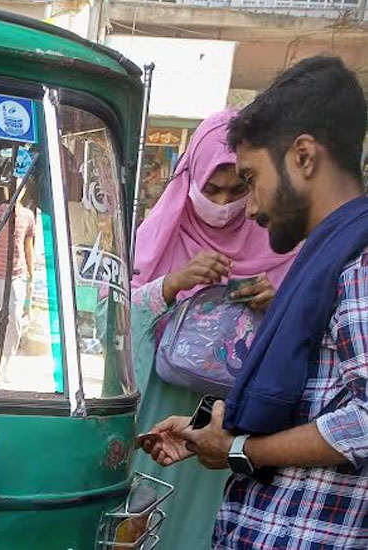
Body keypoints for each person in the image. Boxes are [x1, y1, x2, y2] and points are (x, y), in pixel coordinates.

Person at [140, 56, 368, 550]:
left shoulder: (359, 259)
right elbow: (320, 396)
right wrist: (214, 430)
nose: (252, 206)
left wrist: (242, 450)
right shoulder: (327, 255)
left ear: (304, 157)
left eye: (251, 178)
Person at [130, 109, 298, 550]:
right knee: (139, 515)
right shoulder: (161, 233)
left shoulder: (280, 244)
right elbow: (111, 320)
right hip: (157, 408)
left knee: (199, 525)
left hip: (226, 421)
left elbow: (304, 338)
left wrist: (274, 306)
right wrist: (173, 283)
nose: (224, 204)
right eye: (211, 189)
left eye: (237, 188)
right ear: (189, 177)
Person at [0, 187, 35, 376]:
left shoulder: (27, 216)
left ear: (24, 189)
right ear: (5, 189)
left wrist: (31, 278)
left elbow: (28, 248)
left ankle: (5, 363)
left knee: (15, 319)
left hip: (17, 276)